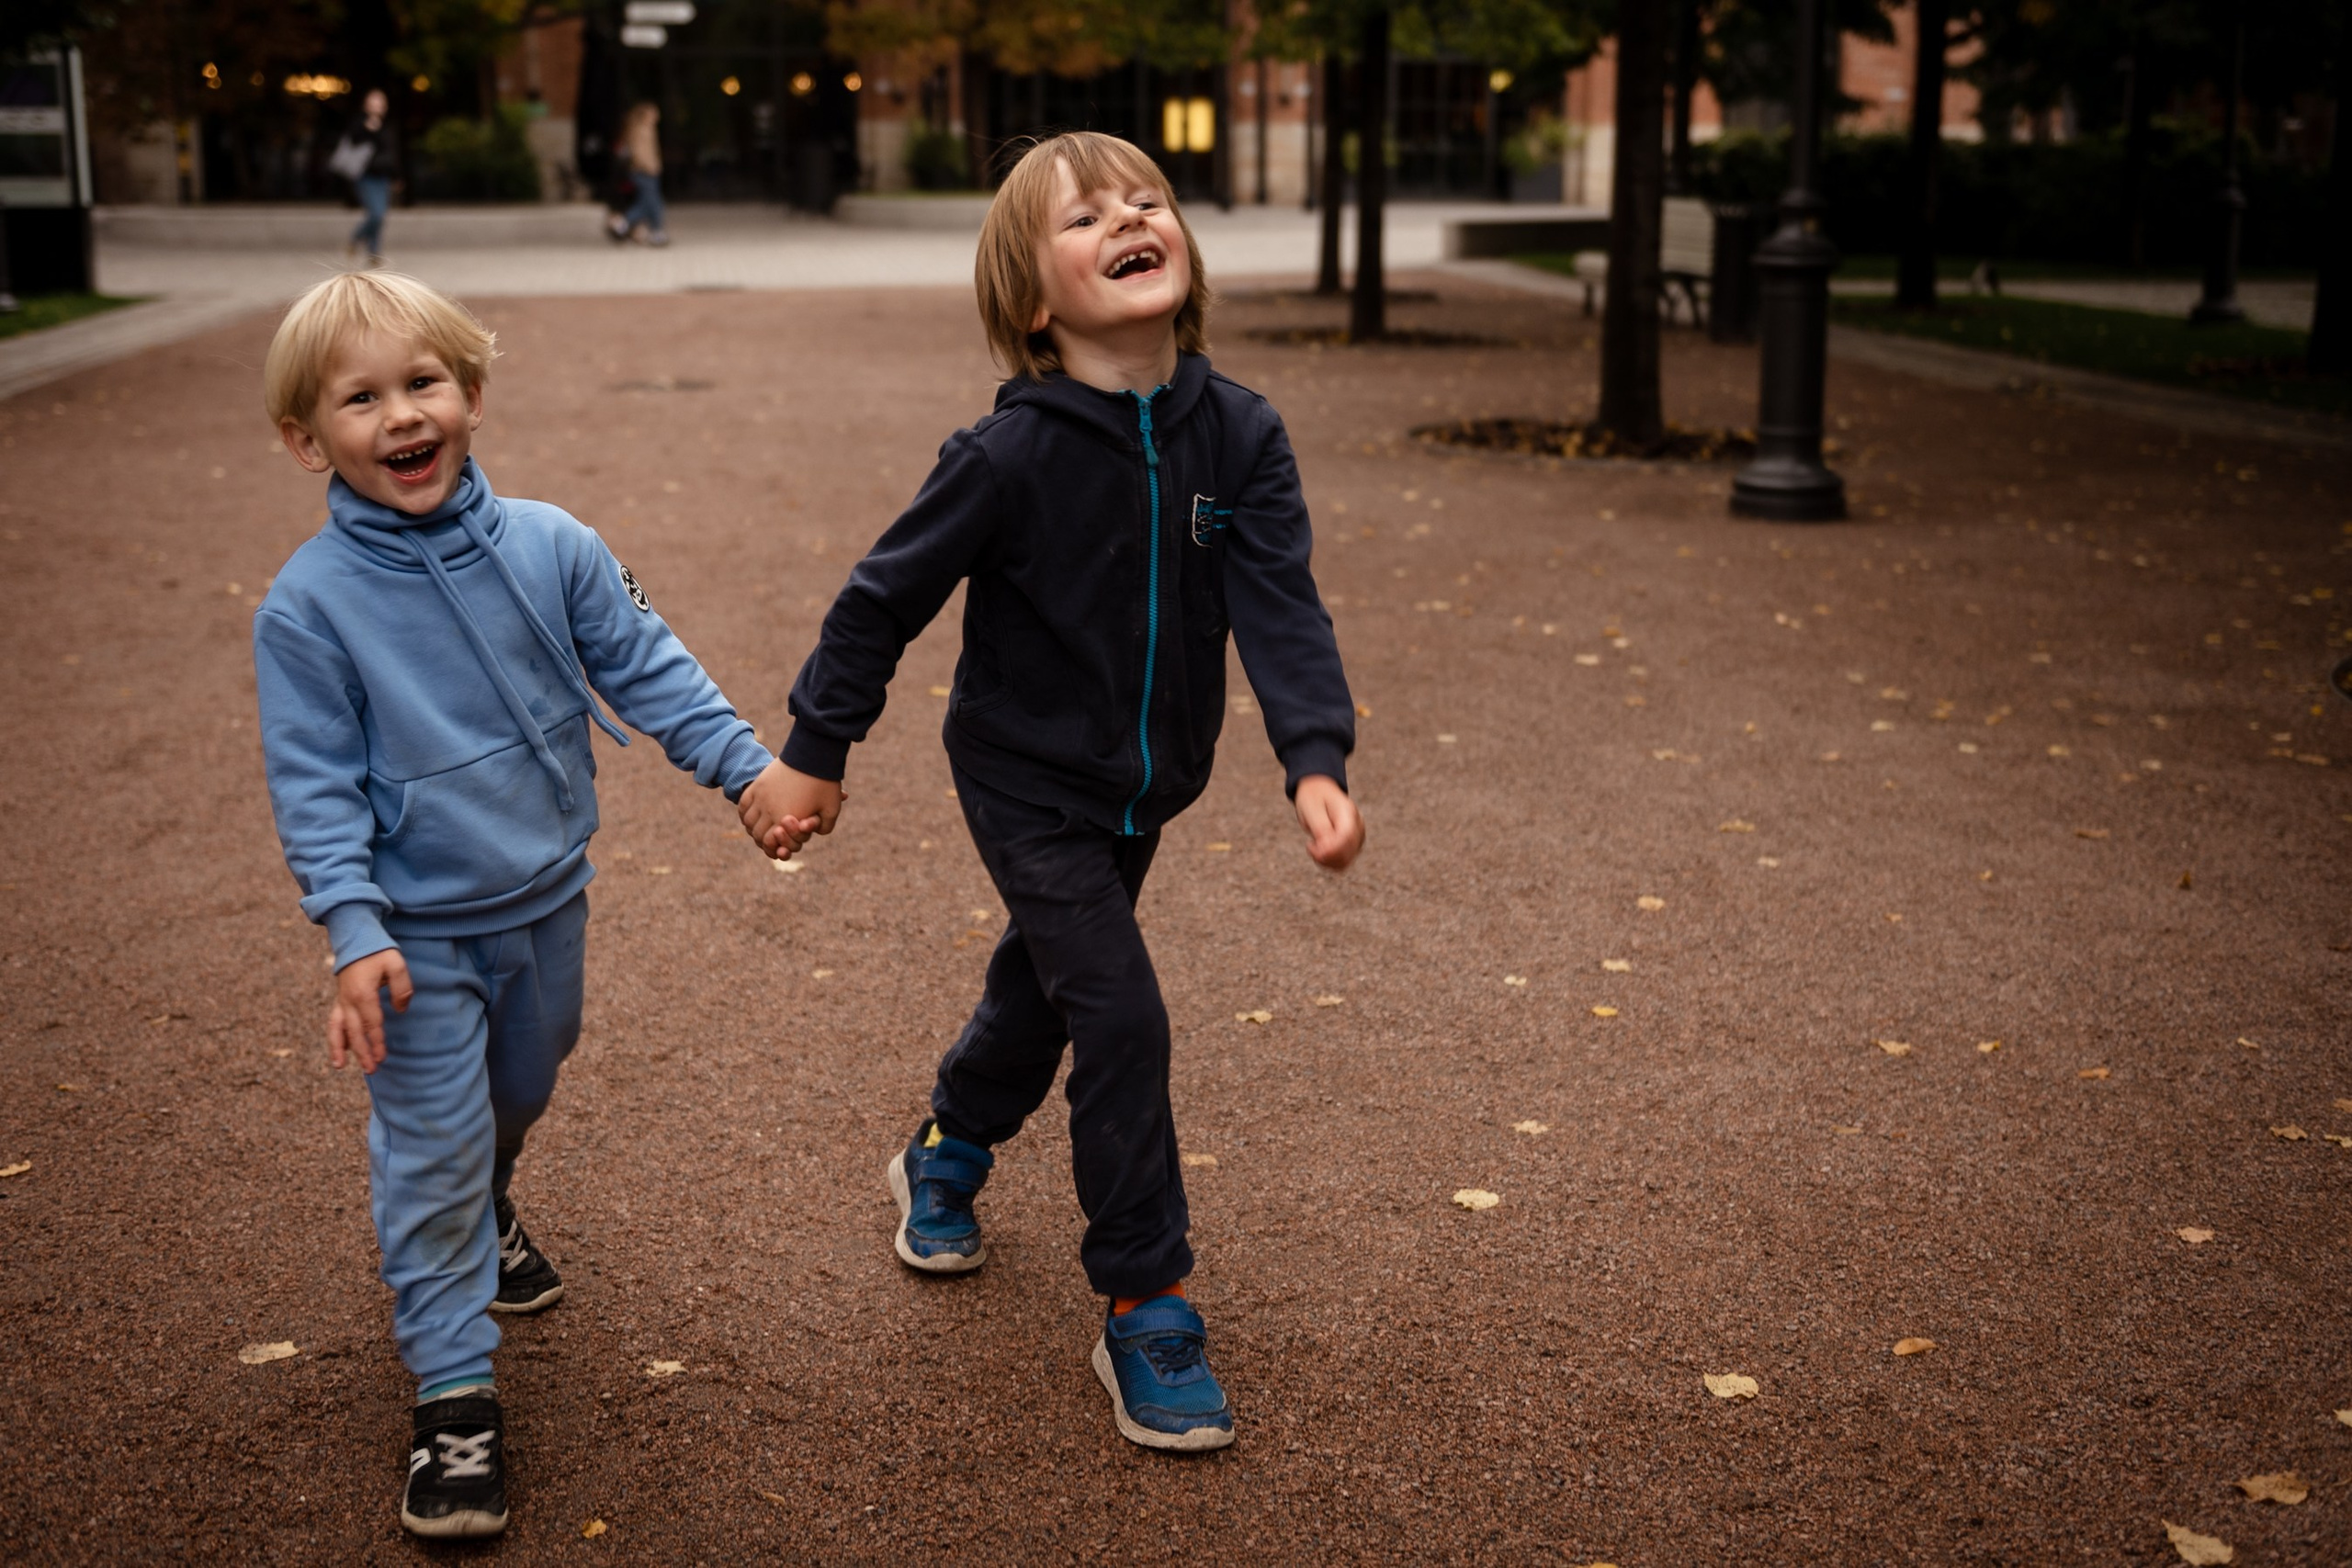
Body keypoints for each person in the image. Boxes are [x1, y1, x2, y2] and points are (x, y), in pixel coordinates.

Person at [739, 130, 1365, 1452]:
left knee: (1050, 981)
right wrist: (815, 747)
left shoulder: (1240, 432)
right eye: (1087, 217)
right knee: (1122, 1011)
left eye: (1148, 201)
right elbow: (878, 601)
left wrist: (1314, 753)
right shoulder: (1004, 455)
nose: (1131, 217)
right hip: (1024, 774)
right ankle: (1146, 1297)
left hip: (1153, 781)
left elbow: (1282, 604)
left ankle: (948, 1142)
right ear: (1033, 297)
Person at [253, 271, 792, 1536]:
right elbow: (315, 786)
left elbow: (648, 667)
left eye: (422, 383)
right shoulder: (307, 608)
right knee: (431, 1140)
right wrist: (354, 929)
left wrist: (749, 772)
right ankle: (452, 1395)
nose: (400, 415)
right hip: (413, 934)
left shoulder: (555, 544)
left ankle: (483, 1200)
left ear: (472, 395)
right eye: (360, 397)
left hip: (551, 897)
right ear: (305, 438)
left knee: (527, 1080)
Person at [336, 89, 400, 266]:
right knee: (376, 214)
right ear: (366, 105)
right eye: (373, 102)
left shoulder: (388, 125)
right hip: (366, 176)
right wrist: (368, 129)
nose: (377, 106)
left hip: (383, 177)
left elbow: (391, 153)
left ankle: (374, 254)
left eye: (380, 103)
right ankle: (355, 239)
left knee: (380, 216)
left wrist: (396, 177)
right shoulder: (359, 123)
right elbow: (353, 141)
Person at [608, 102, 669, 246]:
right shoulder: (640, 130)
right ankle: (627, 223)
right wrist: (650, 167)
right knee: (653, 203)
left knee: (649, 202)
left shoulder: (648, 129)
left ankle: (628, 224)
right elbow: (639, 153)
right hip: (643, 171)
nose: (657, 115)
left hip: (648, 170)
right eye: (653, 112)